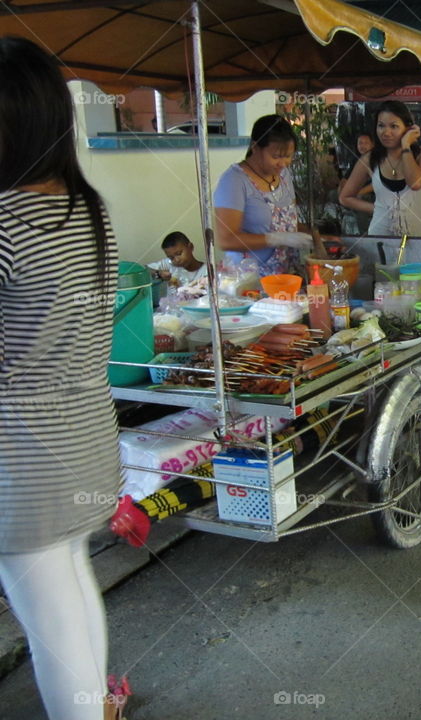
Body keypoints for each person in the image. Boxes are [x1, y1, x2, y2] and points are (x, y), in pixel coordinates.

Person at [0, 36, 128, 720]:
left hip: (23, 457)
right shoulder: (87, 208)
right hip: (83, 438)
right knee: (71, 588)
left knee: (52, 625)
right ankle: (101, 708)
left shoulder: (5, 223)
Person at [214, 114, 322, 279]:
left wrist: (313, 235)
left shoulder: (283, 174)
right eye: (276, 156)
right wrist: (276, 238)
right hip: (250, 280)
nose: (283, 163)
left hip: (287, 275)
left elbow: (287, 222)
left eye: (288, 156)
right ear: (255, 147)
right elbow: (226, 240)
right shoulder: (234, 181)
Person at [339, 100, 421, 238]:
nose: (386, 132)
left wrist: (406, 146)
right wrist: (377, 209)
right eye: (381, 126)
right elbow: (345, 197)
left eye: (394, 126)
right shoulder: (369, 158)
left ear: (409, 128)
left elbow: (415, 183)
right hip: (379, 238)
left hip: (419, 239)